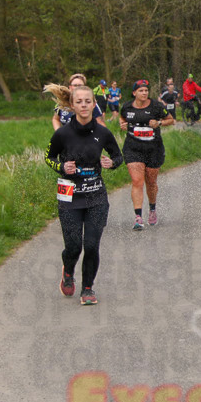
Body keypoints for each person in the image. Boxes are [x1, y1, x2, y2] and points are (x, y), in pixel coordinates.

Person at [44, 85, 124, 305]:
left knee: (90, 245)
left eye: (88, 101)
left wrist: (111, 163)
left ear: (93, 104)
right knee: (73, 246)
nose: (84, 105)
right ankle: (68, 270)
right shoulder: (62, 133)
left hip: (95, 197)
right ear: (72, 105)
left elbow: (118, 156)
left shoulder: (103, 133)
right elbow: (48, 158)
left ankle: (88, 288)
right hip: (69, 196)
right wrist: (62, 167)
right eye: (79, 102)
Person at [119, 79, 174, 230]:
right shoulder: (127, 107)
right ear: (134, 93)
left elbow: (171, 120)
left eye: (146, 91)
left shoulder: (156, 106)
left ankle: (152, 209)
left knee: (151, 183)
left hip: (153, 149)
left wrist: (159, 123)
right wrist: (122, 124)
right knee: (137, 181)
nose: (144, 93)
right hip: (133, 148)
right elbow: (122, 118)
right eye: (141, 91)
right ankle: (138, 217)